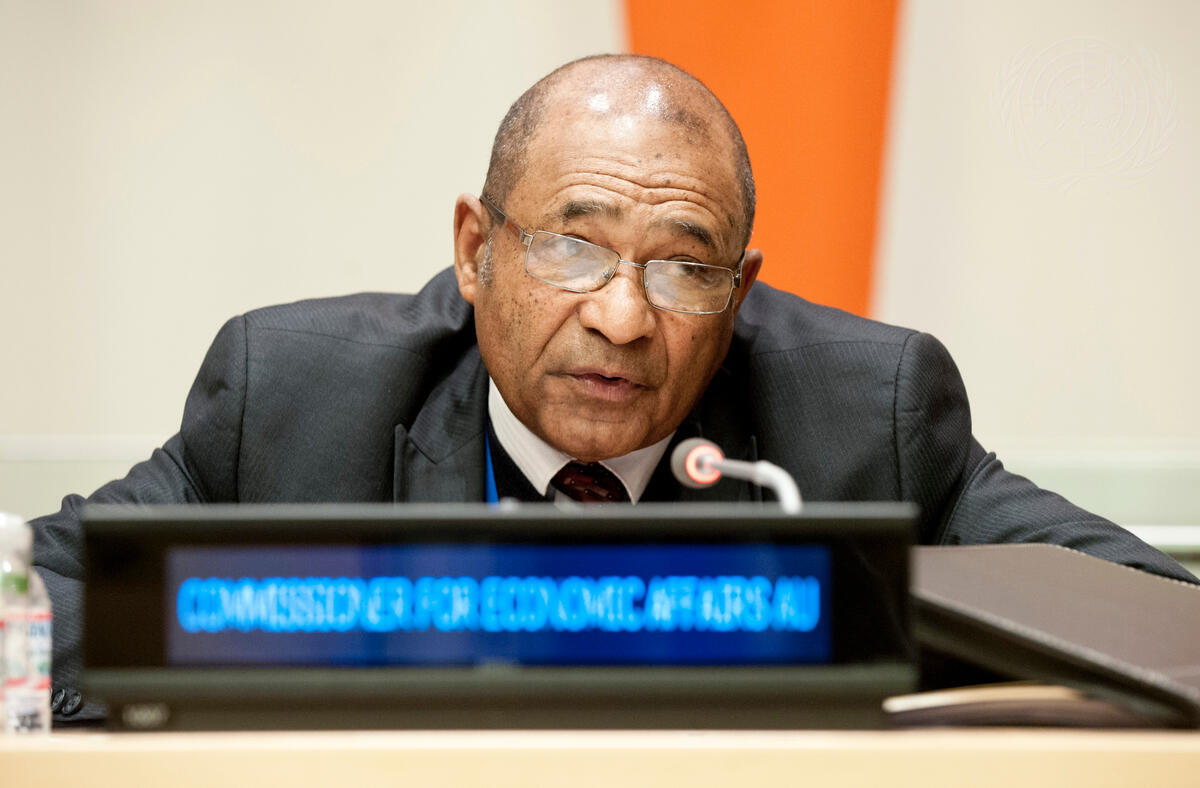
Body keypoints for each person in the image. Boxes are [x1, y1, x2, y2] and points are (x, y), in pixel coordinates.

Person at [31, 54, 1194, 722]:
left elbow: (1157, 621)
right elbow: (30, 606)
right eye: (572, 248)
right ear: (476, 249)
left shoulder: (865, 410)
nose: (624, 317)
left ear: (739, 292)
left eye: (685, 268)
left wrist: (854, 614)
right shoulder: (294, 393)